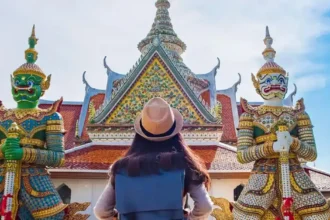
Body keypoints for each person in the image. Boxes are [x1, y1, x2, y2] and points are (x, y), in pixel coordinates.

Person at [94, 97, 213, 220]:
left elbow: (101, 211)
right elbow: (205, 207)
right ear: (175, 132)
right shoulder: (184, 165)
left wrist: (118, 216)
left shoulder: (121, 168)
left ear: (140, 133)